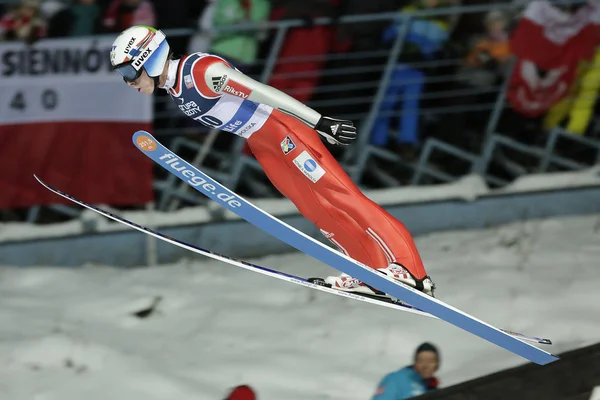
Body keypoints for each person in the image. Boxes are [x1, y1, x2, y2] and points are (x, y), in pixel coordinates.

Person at [109, 25, 435, 297]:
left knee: (343, 196)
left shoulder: (202, 71)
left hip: (284, 131)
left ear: (148, 59)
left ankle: (411, 271)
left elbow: (263, 92)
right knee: (316, 210)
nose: (128, 82)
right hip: (262, 145)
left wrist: (320, 121)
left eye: (128, 71)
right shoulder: (177, 90)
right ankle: (371, 272)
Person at [372, 342, 440, 400]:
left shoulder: (434, 389)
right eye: (421, 360)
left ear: (437, 364)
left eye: (430, 361)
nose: (425, 365)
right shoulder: (396, 380)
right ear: (415, 363)